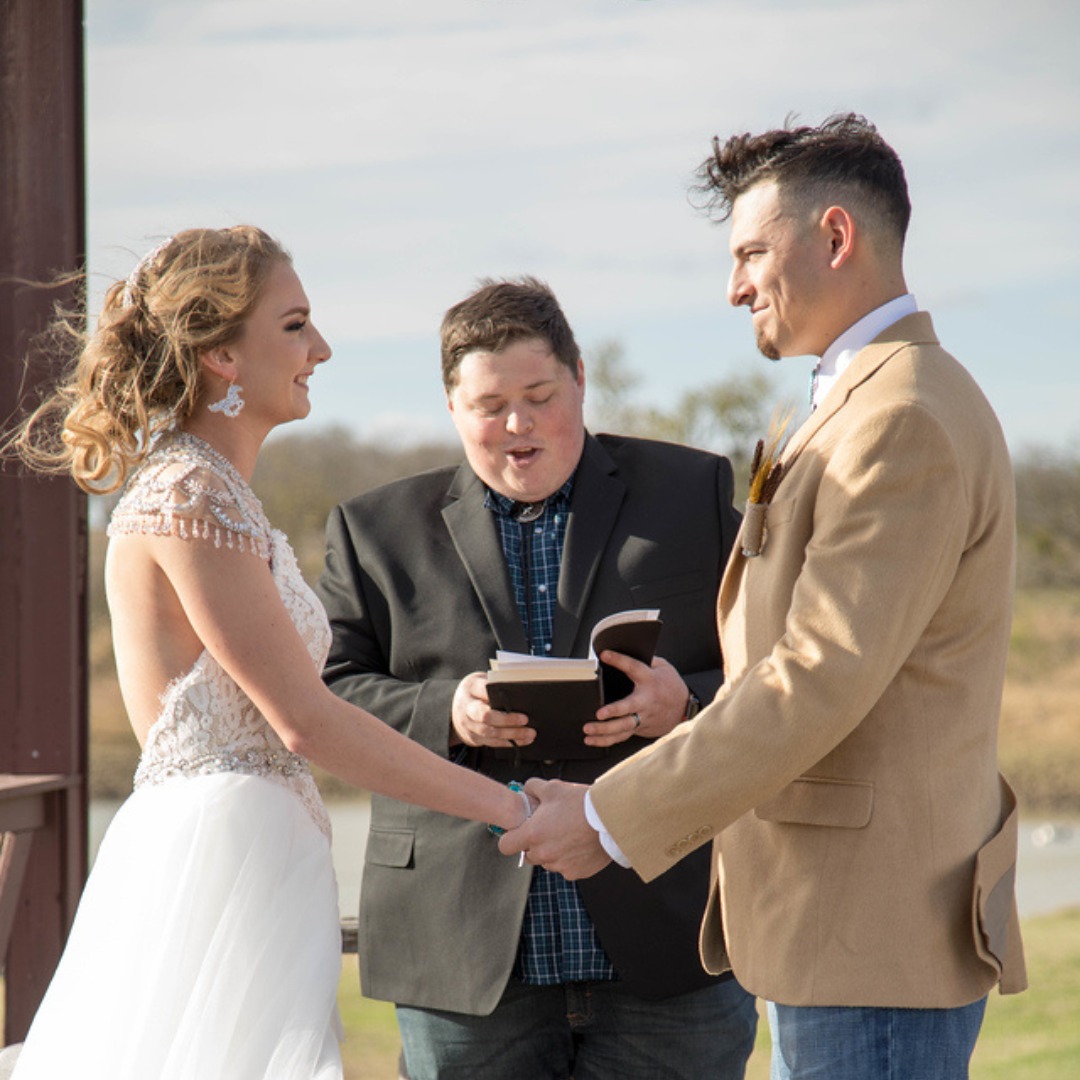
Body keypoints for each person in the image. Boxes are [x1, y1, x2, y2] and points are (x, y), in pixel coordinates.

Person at [500, 115, 1028, 1080]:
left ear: (836, 236)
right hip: (831, 931)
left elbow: (817, 676)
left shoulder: (901, 418)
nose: (734, 287)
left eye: (750, 253)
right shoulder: (859, 400)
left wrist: (612, 816)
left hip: (868, 941)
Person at [3, 226, 531, 1080]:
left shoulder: (223, 494)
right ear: (221, 355)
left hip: (263, 852)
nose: (320, 348)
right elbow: (306, 723)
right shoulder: (188, 495)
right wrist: (509, 807)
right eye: (294, 325)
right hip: (218, 861)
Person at [316, 277, 757, 1079]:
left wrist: (685, 701)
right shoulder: (370, 530)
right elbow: (327, 696)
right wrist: (445, 710)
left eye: (539, 397)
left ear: (580, 379)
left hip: (670, 939)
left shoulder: (692, 492)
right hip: (461, 959)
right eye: (489, 406)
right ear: (452, 407)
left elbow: (774, 669)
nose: (517, 425)